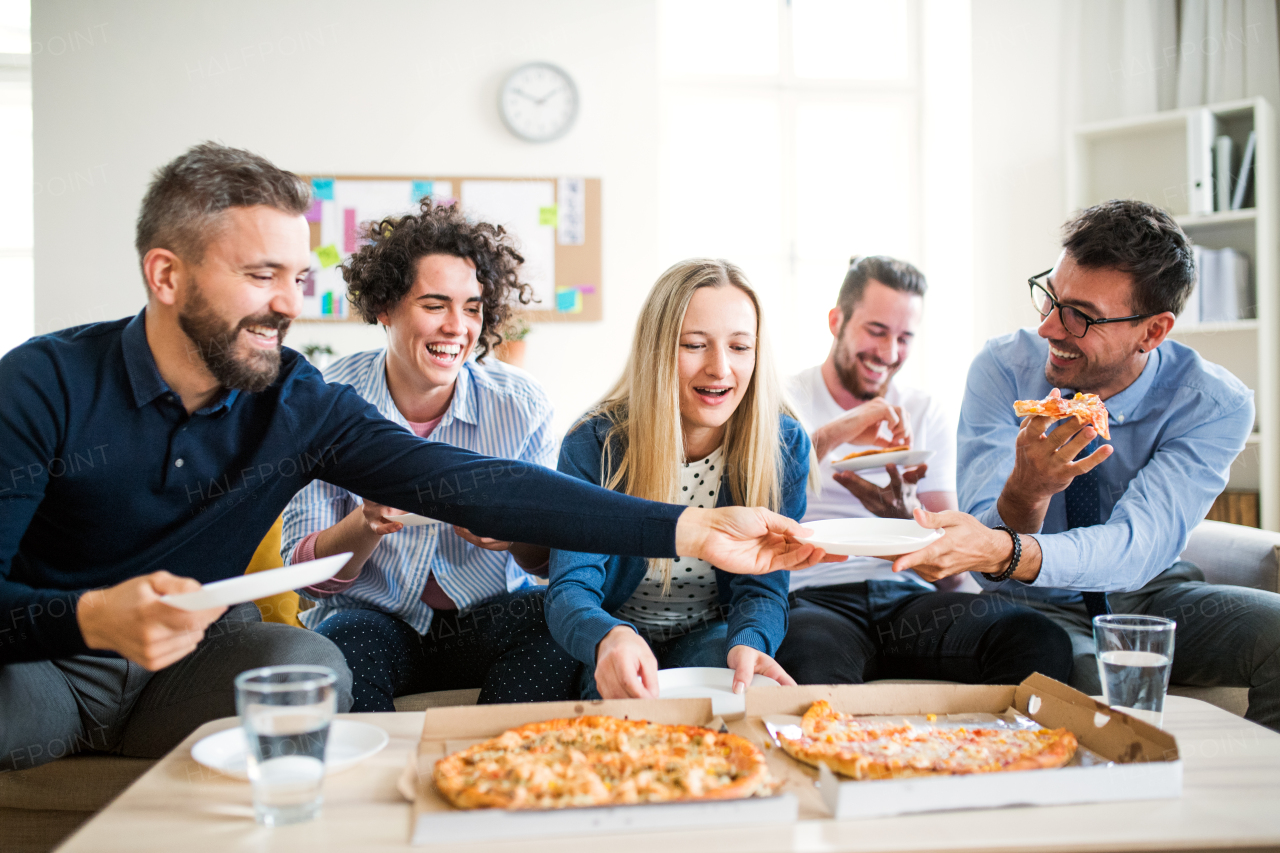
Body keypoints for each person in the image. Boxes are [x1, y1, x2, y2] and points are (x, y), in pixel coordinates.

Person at [0, 143, 831, 771]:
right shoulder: (44, 385)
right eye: (262, 275)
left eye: (298, 277)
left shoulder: (298, 403)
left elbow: (480, 485)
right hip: (46, 664)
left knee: (308, 662)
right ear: (166, 275)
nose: (289, 304)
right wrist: (88, 617)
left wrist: (689, 528)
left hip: (186, 672)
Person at [890, 199, 1280, 732]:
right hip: (1035, 603)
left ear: (1152, 332)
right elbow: (988, 558)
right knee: (1084, 685)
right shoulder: (1003, 368)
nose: (1050, 328)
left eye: (1081, 316)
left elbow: (1141, 543)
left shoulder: (1212, 404)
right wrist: (1027, 491)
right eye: (1049, 298)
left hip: (1152, 596)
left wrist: (1009, 549)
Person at [281, 200, 580, 711]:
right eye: (434, 304)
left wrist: (512, 536)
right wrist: (366, 523)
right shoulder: (327, 402)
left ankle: (501, 771)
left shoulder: (521, 405)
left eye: (472, 307)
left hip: (488, 617)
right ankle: (373, 783)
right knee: (341, 640)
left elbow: (549, 561)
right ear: (385, 307)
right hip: (372, 620)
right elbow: (309, 581)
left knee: (556, 617)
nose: (457, 327)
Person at [774, 256, 1073, 685]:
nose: (889, 353)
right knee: (814, 668)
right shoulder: (783, 399)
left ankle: (987, 751)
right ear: (836, 320)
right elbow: (753, 496)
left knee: (1036, 638)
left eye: (904, 338)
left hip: (906, 596)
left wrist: (904, 518)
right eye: (876, 331)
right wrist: (837, 433)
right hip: (814, 597)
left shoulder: (922, 410)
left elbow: (951, 568)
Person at [546, 259, 813, 699]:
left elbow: (764, 588)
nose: (720, 368)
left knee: (725, 705)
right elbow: (571, 589)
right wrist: (608, 637)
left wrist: (750, 641)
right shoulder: (593, 442)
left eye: (740, 347)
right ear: (657, 350)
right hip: (619, 629)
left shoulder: (784, 444)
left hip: (713, 632)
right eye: (694, 345)